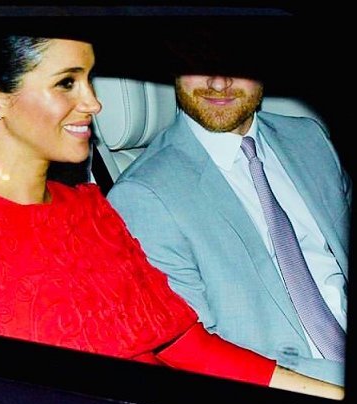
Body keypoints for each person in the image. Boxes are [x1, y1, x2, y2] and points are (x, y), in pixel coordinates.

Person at [0, 30, 343, 399]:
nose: (93, 103)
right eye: (67, 83)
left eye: (89, 79)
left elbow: (186, 346)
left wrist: (329, 398)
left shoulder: (88, 209)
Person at [107, 62, 350, 386]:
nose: (219, 82)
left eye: (236, 61)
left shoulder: (309, 138)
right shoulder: (143, 196)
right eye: (198, 61)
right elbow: (201, 356)